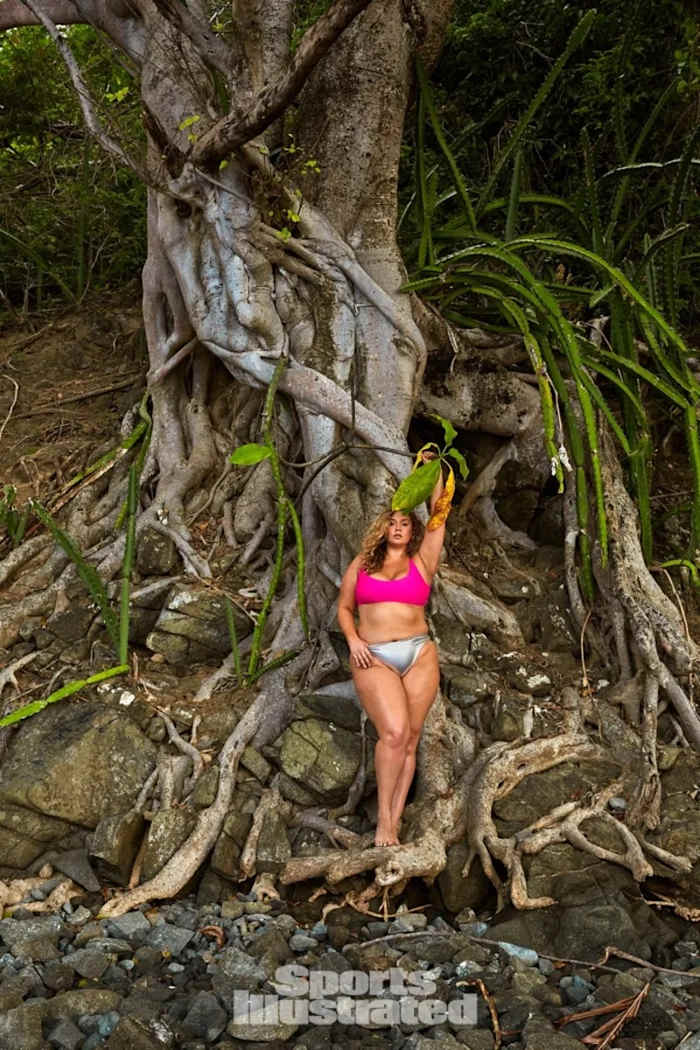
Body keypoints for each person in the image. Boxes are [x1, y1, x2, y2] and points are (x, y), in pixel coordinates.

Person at [337, 454, 448, 847]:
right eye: (393, 522)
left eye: (405, 523)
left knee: (412, 737)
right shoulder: (362, 565)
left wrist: (433, 471)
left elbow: (439, 515)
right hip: (375, 656)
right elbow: (344, 609)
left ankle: (395, 821)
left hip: (419, 653)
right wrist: (353, 640)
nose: (399, 528)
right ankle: (383, 820)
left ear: (412, 530)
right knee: (394, 733)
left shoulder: (423, 562)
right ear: (383, 529)